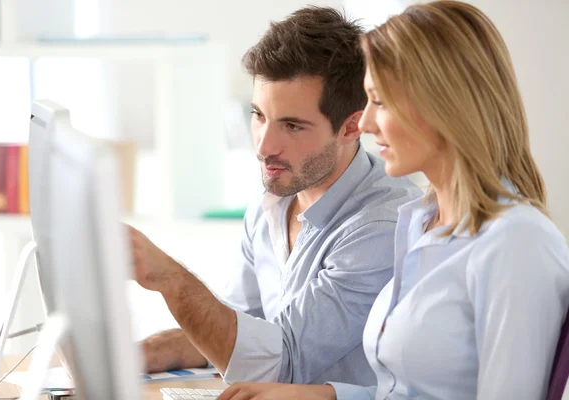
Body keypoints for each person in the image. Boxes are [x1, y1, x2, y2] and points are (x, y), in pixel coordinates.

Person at [216, 1, 569, 399]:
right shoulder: (422, 221)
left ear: (445, 108)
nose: (364, 124)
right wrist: (322, 396)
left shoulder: (516, 243)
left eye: (379, 102)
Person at [129, 6, 421, 386]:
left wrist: (168, 277)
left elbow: (278, 363)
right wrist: (147, 352)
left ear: (351, 126)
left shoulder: (382, 226)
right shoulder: (274, 201)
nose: (265, 146)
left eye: (292, 125)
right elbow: (238, 333)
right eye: (259, 115)